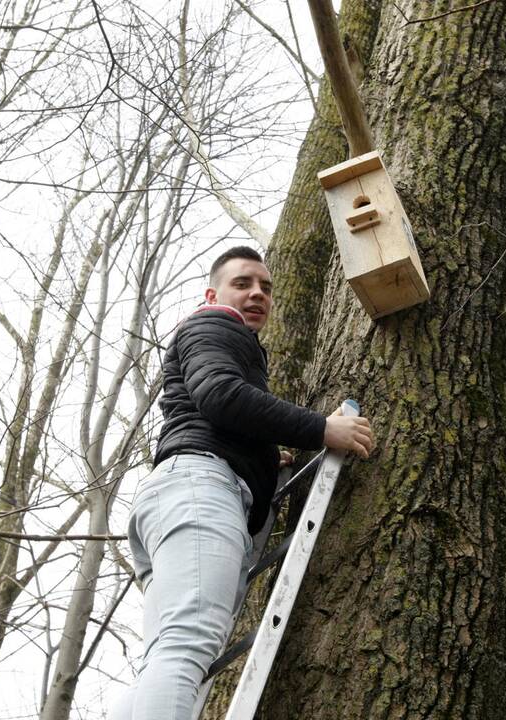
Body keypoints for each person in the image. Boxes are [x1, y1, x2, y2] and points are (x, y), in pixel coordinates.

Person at [109, 246, 374, 720]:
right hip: (199, 490)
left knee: (168, 655)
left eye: (266, 287)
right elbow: (221, 395)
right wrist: (321, 429)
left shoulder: (219, 336)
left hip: (179, 494)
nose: (257, 293)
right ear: (214, 294)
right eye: (243, 283)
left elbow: (217, 404)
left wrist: (268, 458)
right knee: (186, 648)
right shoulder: (214, 324)